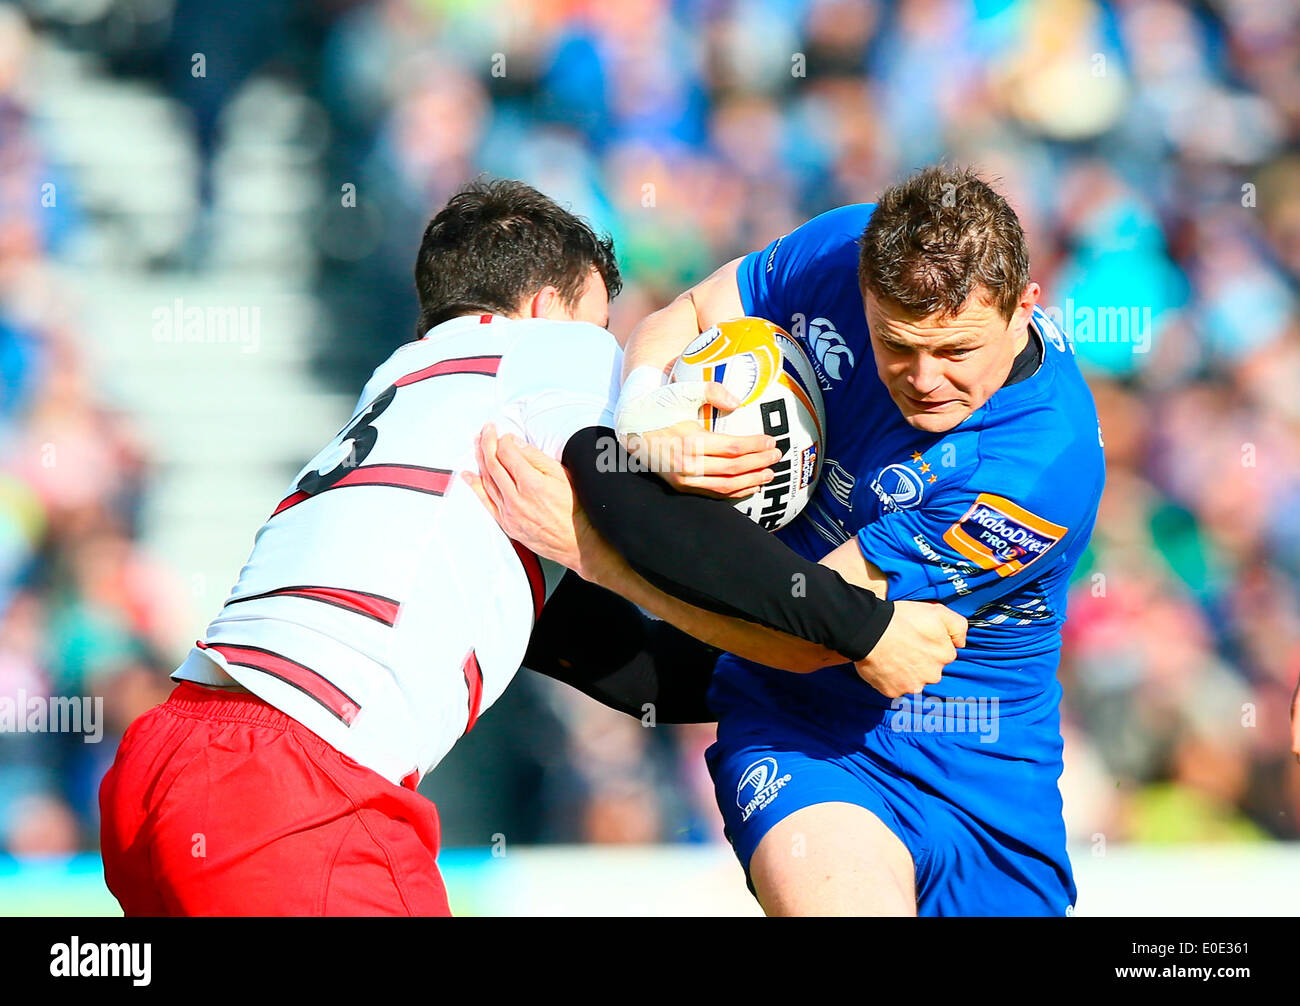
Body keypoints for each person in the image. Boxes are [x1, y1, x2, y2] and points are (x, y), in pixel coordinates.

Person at [98, 178, 958, 917]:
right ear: (552, 306)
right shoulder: (549, 352)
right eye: (603, 321)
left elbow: (627, 665)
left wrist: (812, 665)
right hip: (295, 786)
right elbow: (642, 514)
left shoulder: (415, 401)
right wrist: (863, 627)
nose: (614, 356)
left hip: (167, 761)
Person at [479, 164, 1106, 916]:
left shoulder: (1037, 469)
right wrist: (647, 408)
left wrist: (596, 553)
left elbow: (822, 628)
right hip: (802, 727)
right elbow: (687, 309)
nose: (925, 379)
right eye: (895, 345)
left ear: (1024, 308)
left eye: (956, 352)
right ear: (865, 294)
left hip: (982, 778)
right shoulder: (846, 248)